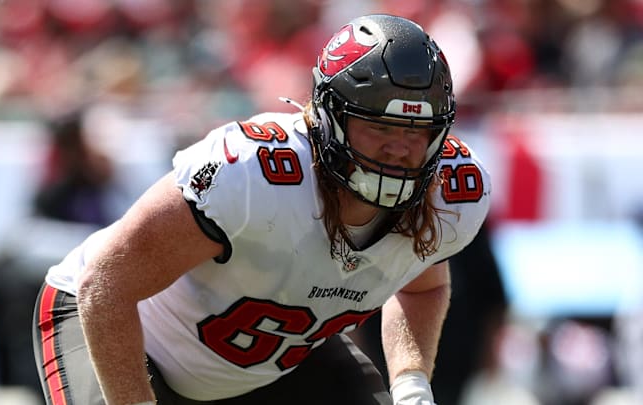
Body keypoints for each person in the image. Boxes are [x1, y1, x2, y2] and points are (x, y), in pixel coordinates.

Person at [32, 14, 491, 405]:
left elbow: (422, 288)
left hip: (265, 366)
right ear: (331, 116)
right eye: (379, 126)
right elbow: (106, 285)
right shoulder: (253, 174)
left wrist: (411, 383)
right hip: (124, 331)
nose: (400, 149)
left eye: (418, 130)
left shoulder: (449, 192)